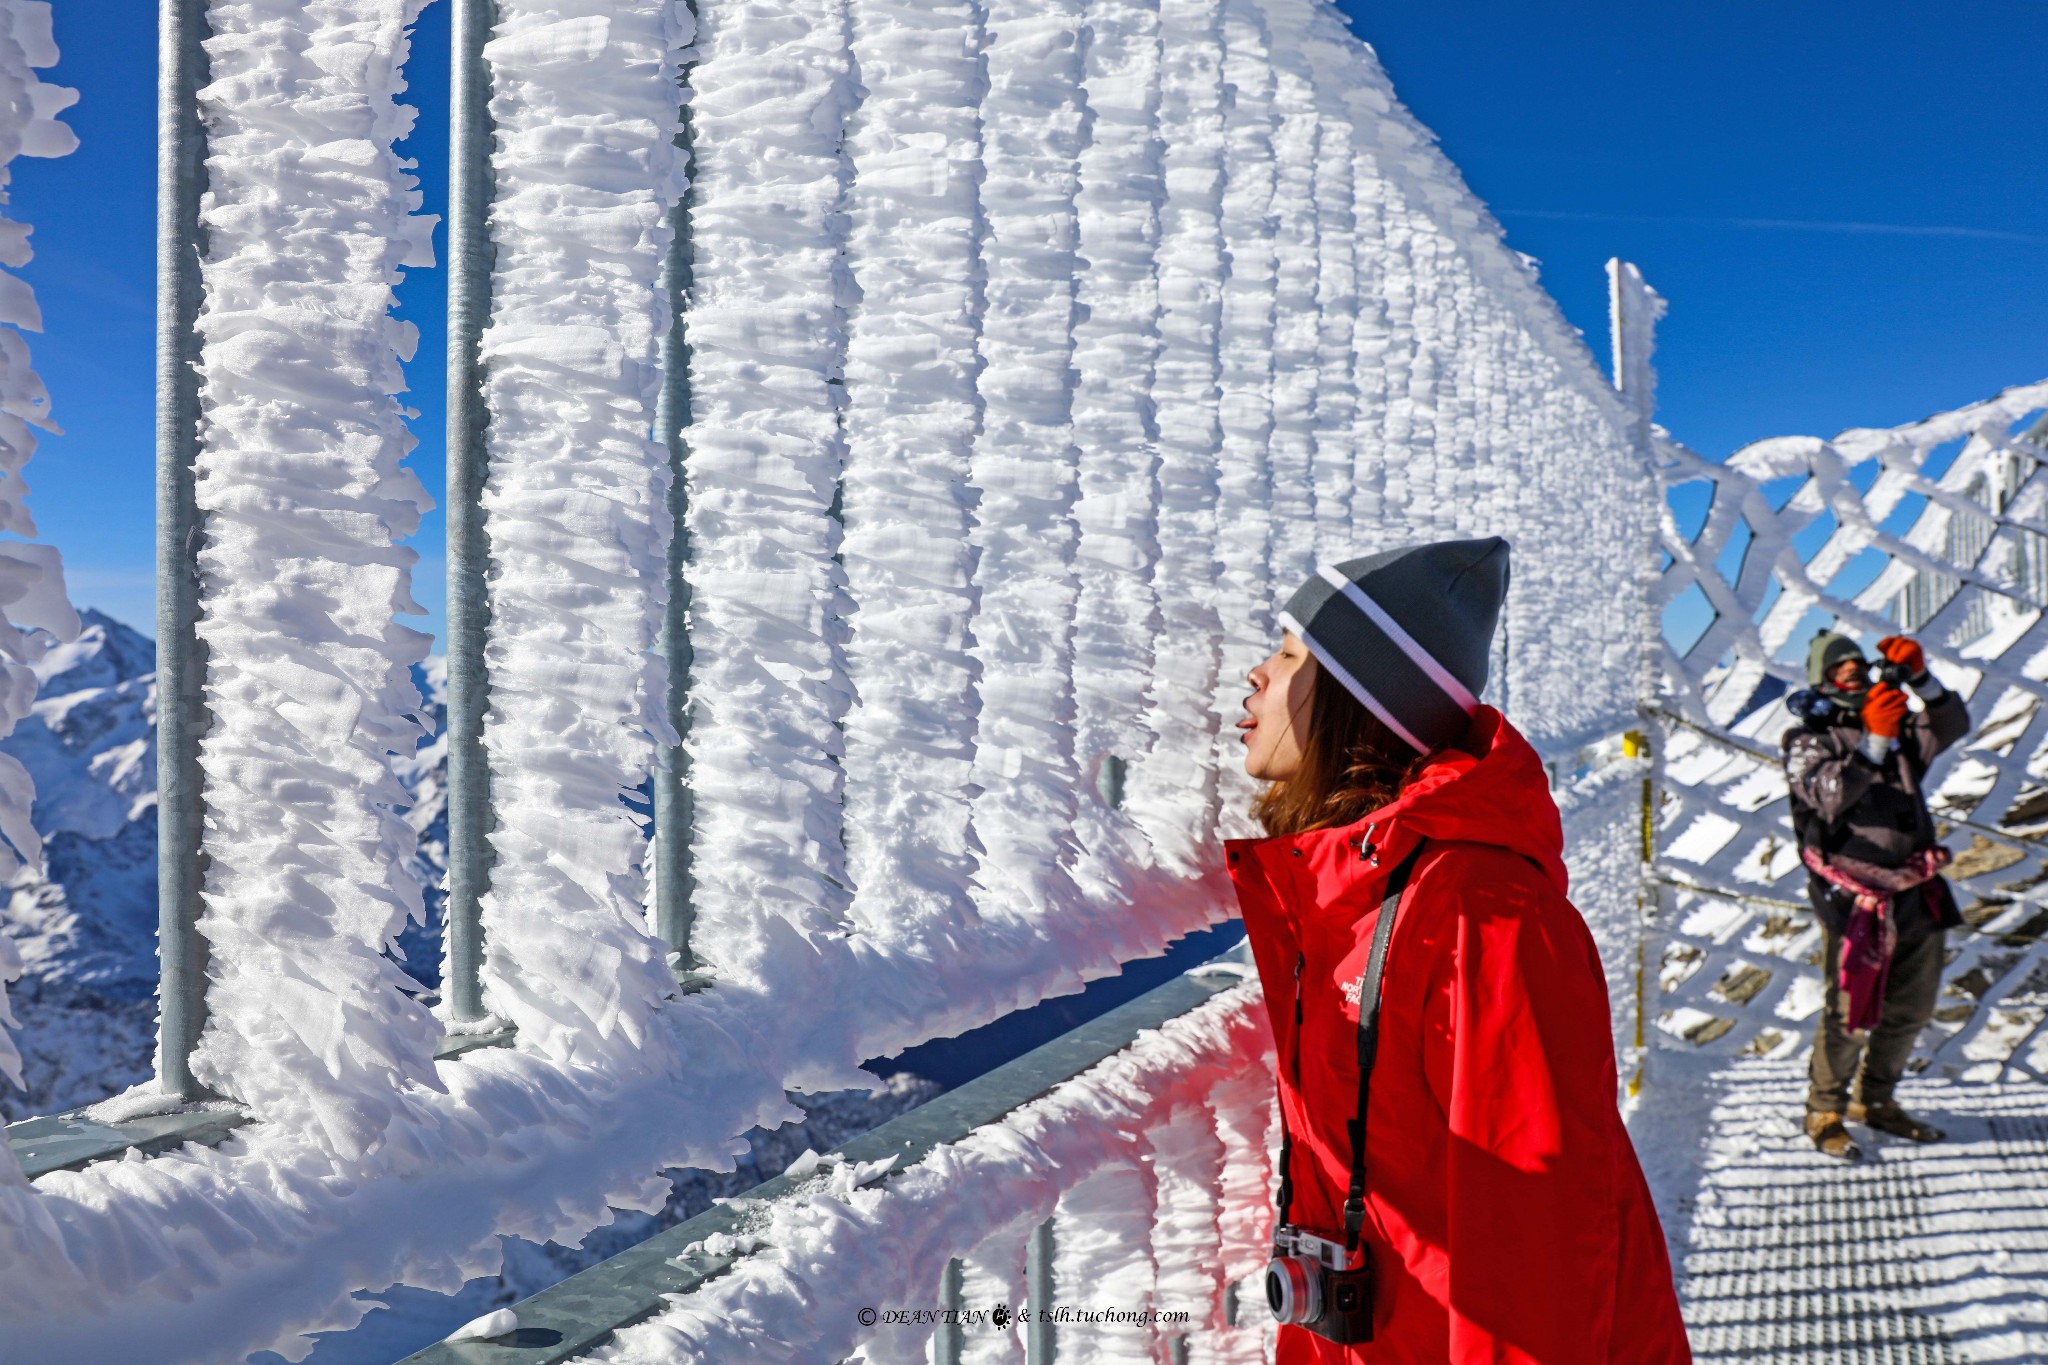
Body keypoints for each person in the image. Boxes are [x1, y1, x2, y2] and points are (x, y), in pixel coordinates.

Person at [1226, 537, 1691, 1364]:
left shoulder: (1481, 910)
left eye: (1292, 650)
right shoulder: (1354, 887)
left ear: (1357, 697)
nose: (1257, 672)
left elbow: (1536, 1244)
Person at [1782, 629, 1966, 1160]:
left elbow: (1949, 724)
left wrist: (1922, 681)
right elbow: (1829, 795)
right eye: (1841, 668)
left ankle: (1875, 1100)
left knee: (1910, 1006)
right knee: (1850, 1011)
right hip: (1853, 901)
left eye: (1858, 664)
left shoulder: (1892, 721)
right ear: (1821, 679)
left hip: (1914, 889)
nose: (1855, 673)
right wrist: (1875, 742)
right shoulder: (1805, 739)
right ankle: (1824, 1108)